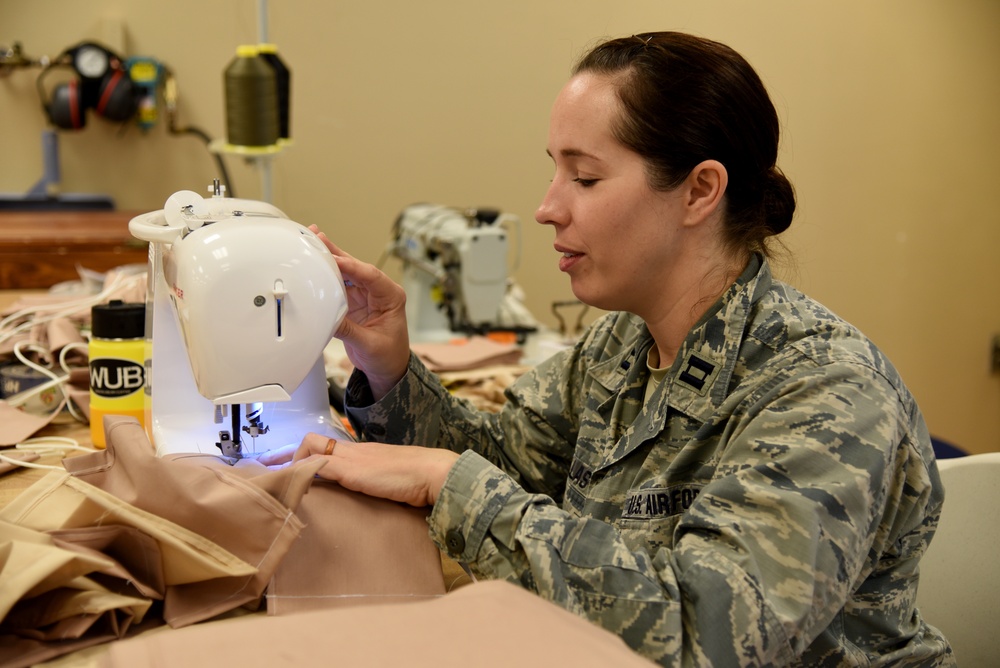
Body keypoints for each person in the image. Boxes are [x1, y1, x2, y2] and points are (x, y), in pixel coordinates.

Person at [261, 31, 953, 666]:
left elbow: (707, 634)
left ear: (699, 191)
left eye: (585, 178)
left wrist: (451, 485)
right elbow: (506, 465)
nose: (547, 208)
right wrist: (388, 365)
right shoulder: (622, 344)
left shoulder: (828, 392)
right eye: (555, 173)